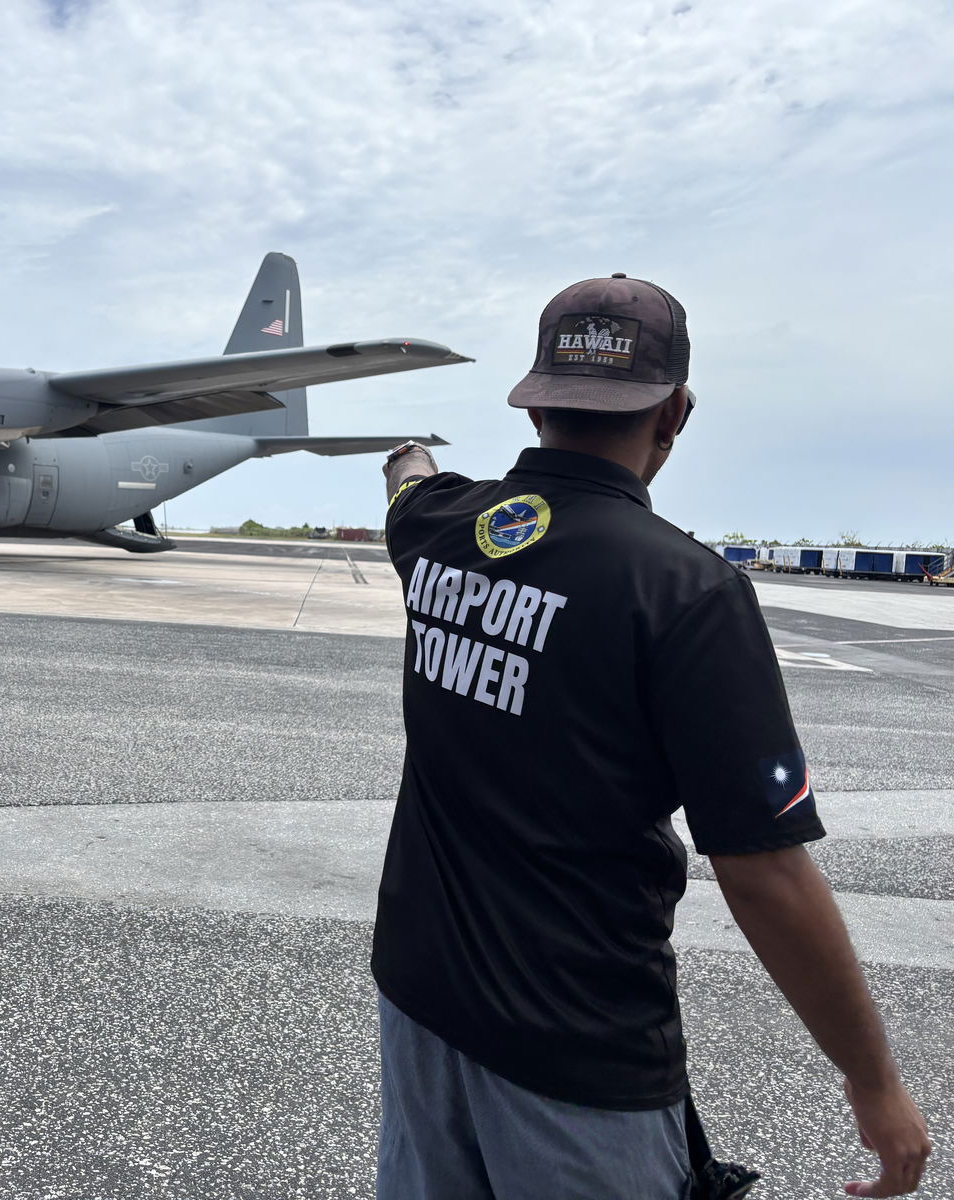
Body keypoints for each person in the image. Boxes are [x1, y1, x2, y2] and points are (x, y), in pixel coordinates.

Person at [374, 273, 931, 1199]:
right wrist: (874, 1082)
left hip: (419, 996)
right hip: (574, 1044)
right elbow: (764, 870)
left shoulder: (437, 530)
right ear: (674, 413)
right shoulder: (687, 591)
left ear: (537, 397)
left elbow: (406, 482)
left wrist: (408, 459)